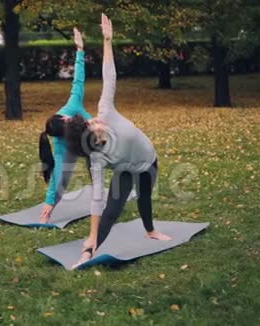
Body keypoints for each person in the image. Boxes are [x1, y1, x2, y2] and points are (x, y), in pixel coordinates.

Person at [67, 14, 172, 268]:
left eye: (93, 123)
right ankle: (89, 254)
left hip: (148, 160)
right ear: (92, 143)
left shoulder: (105, 110)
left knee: (144, 197)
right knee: (112, 210)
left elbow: (109, 77)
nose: (97, 124)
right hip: (125, 169)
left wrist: (107, 41)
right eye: (95, 133)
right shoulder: (97, 159)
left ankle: (150, 230)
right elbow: (97, 200)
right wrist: (92, 236)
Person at [38, 27, 92, 224]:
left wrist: (79, 50)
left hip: (94, 140)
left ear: (64, 117)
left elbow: (78, 80)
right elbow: (58, 176)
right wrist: (49, 203)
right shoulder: (61, 144)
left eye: (69, 120)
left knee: (96, 162)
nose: (71, 121)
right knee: (63, 178)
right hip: (77, 146)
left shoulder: (72, 105)